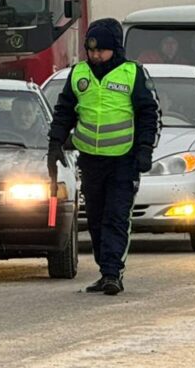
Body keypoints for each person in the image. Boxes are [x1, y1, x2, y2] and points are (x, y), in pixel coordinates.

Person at [47, 18, 161, 296]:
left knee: (116, 217)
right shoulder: (78, 75)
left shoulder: (132, 74)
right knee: (96, 219)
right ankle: (104, 270)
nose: (96, 56)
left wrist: (145, 150)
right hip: (91, 160)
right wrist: (55, 143)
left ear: (115, 49)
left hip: (123, 160)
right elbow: (64, 112)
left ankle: (113, 273)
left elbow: (150, 115)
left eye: (101, 51)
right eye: (91, 50)